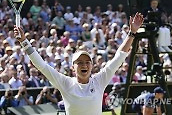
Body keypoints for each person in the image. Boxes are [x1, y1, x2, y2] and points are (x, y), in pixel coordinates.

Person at [14, 12, 144, 115]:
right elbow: (41, 65)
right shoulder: (65, 83)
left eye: (88, 62)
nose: (84, 65)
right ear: (73, 67)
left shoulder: (99, 80)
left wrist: (132, 33)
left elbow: (119, 57)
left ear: (92, 66)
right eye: (80, 62)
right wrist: (24, 41)